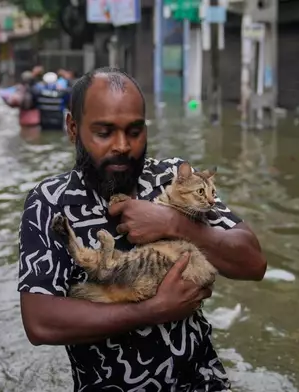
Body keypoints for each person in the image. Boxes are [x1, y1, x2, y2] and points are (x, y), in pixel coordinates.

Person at [18, 67, 267, 391]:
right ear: (73, 128)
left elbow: (254, 264)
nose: (123, 145)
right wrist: (152, 310)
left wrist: (173, 223)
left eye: (134, 131)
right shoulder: (50, 202)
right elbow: (40, 323)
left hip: (203, 382)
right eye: (104, 132)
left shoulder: (174, 179)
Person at [2, 71, 41, 142]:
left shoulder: (19, 89)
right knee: (34, 140)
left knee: (24, 139)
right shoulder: (37, 88)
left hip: (23, 118)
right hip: (35, 118)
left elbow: (12, 102)